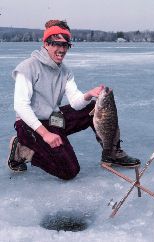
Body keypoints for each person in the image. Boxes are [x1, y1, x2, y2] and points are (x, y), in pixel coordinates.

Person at [7, 20, 140, 180]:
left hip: (53, 119)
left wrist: (89, 94)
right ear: (46, 43)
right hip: (30, 126)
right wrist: (46, 134)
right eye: (57, 44)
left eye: (65, 45)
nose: (62, 49)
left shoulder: (64, 72)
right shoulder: (28, 68)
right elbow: (20, 106)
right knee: (69, 171)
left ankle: (111, 152)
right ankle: (22, 150)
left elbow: (76, 102)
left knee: (95, 109)